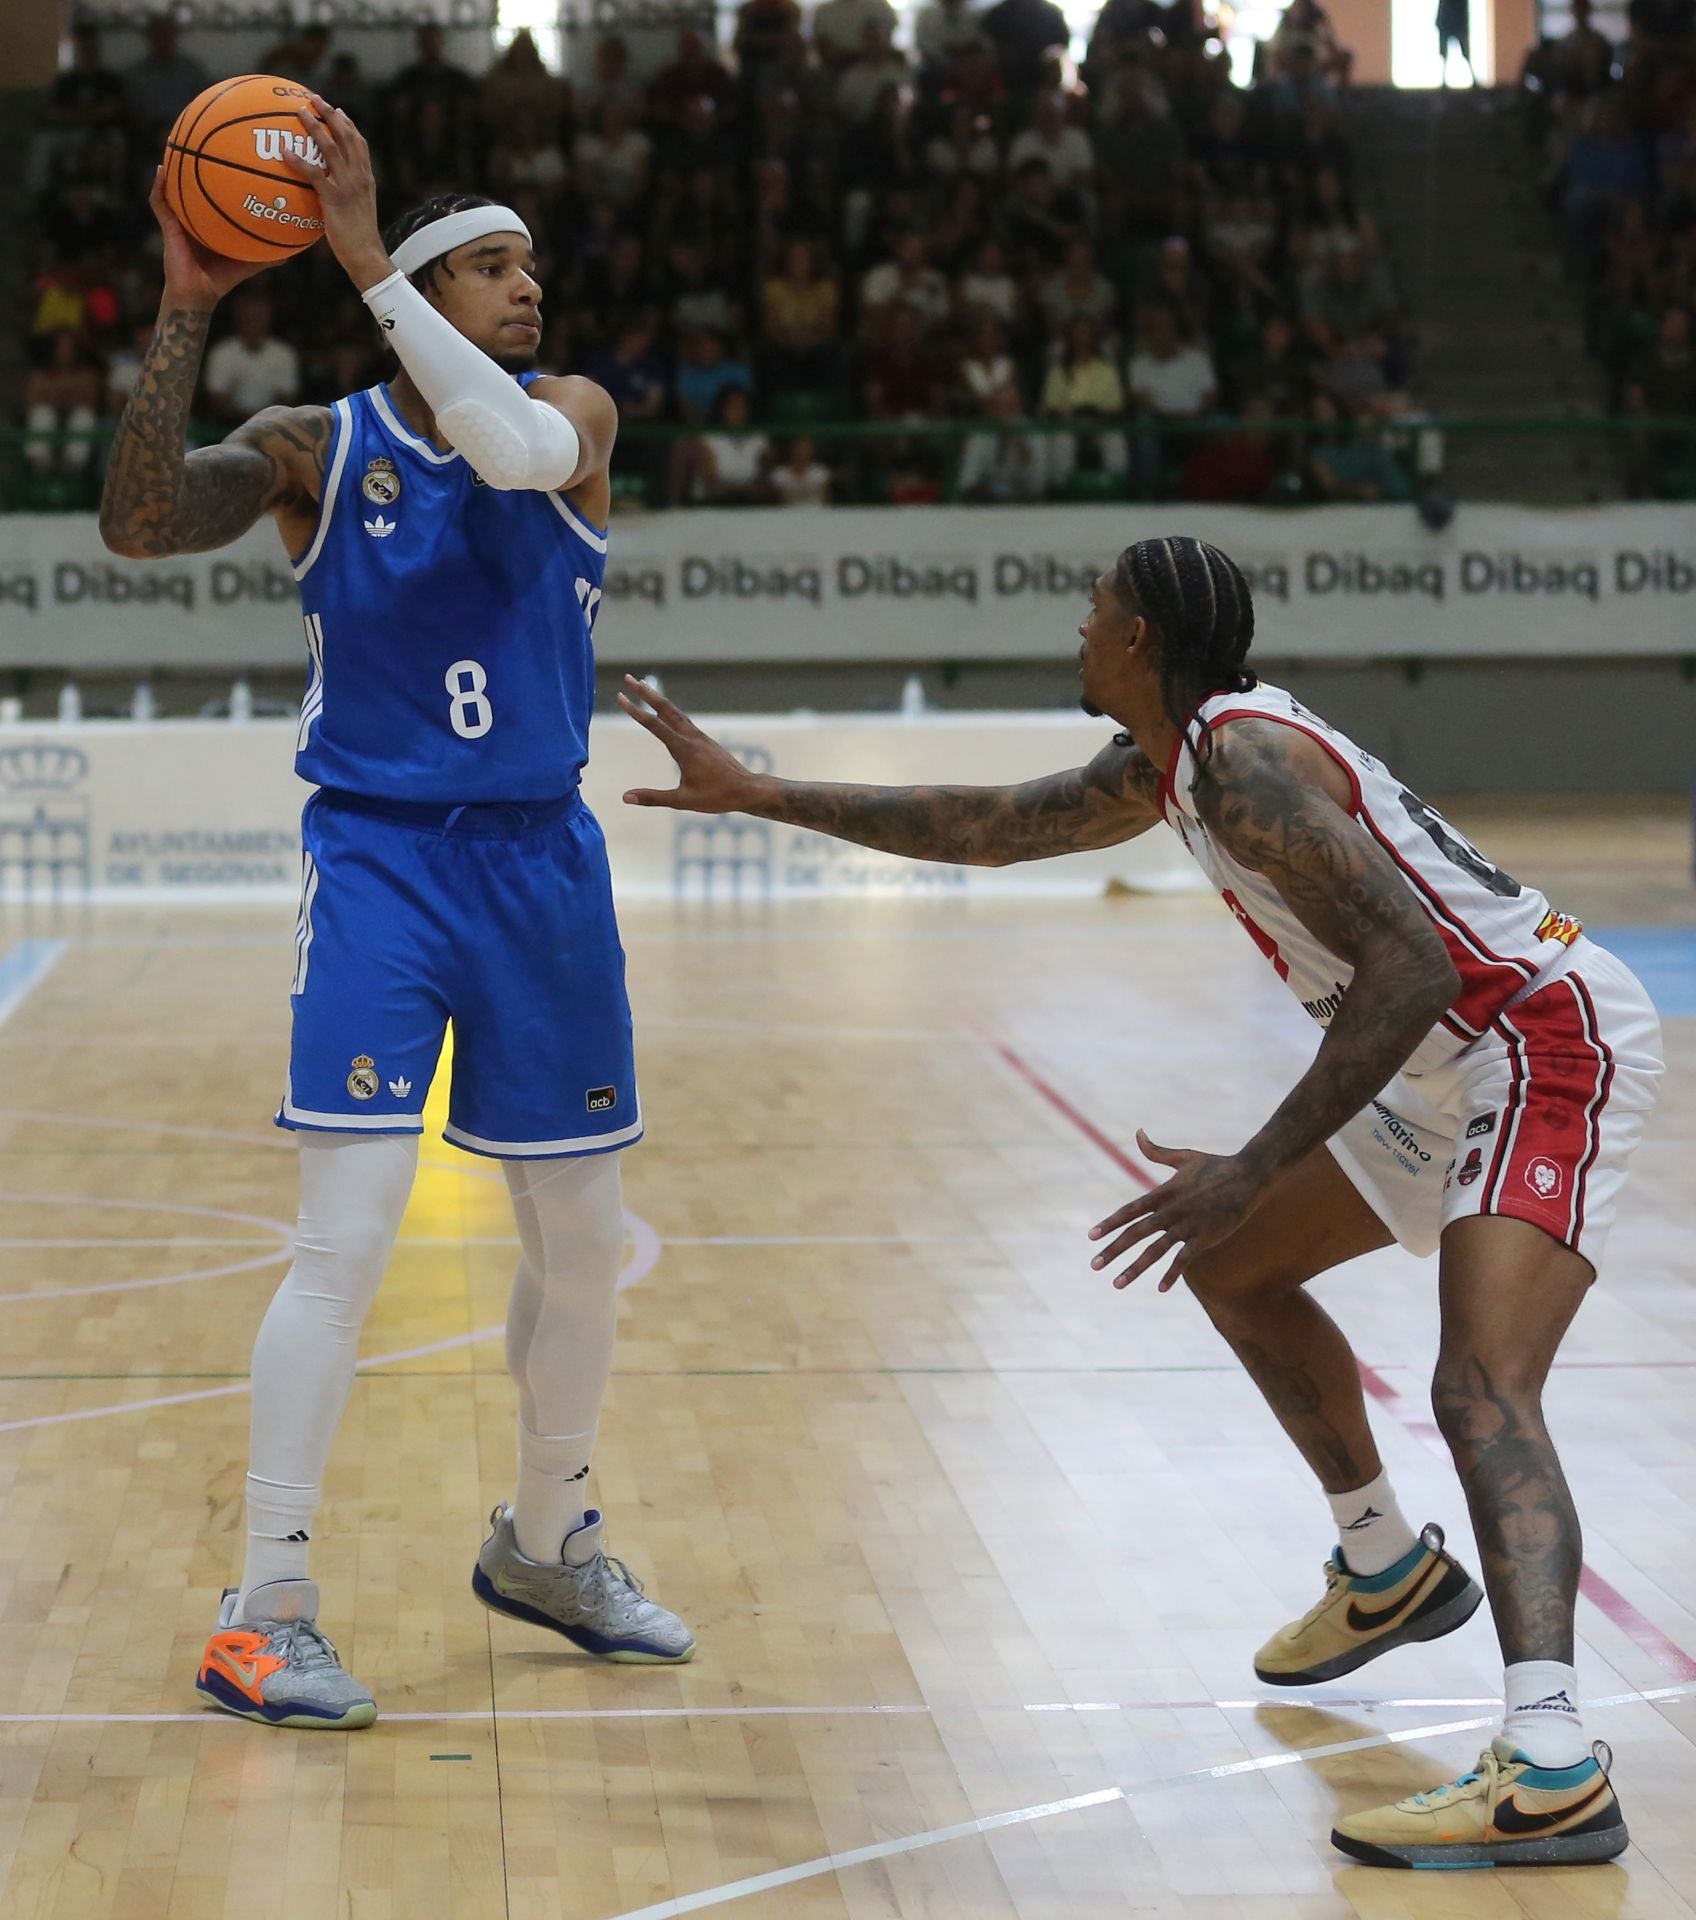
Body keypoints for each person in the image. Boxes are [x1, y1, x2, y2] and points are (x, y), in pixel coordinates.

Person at [615, 534, 1662, 1871]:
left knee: (1479, 1389)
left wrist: (1252, 1161)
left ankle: (1553, 1761)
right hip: (1438, 1058)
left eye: (1095, 614)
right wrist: (761, 794)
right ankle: (1385, 1566)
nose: (1080, 630)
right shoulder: (1172, 764)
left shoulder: (1244, 767)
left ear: (1145, 642)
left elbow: (1410, 969)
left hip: (1536, 1037)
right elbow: (987, 828)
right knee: (1234, 1268)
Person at [99, 106, 693, 1731]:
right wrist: (187, 303)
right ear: (425, 280)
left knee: (581, 1247)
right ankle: (264, 1602)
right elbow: (136, 522)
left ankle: (551, 1537)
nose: (527, 291)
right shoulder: (320, 444)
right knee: (345, 1241)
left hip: (542, 868)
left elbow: (505, 445)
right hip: (380, 867)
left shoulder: (572, 416)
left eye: (529, 267)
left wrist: (365, 257)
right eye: (491, 266)